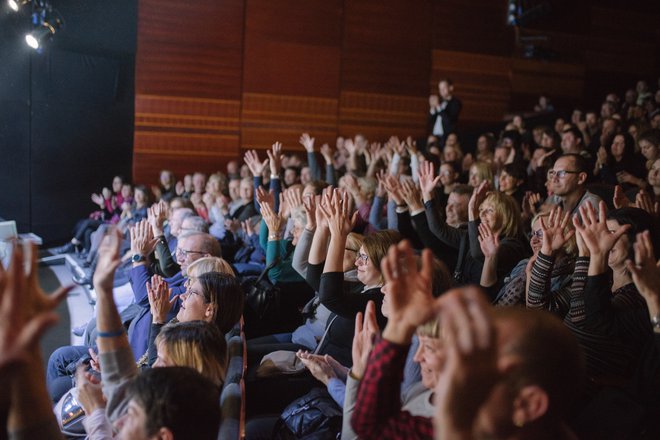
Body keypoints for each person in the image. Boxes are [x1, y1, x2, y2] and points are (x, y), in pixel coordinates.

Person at [428, 78, 462, 146]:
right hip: (434, 135)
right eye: (440, 89)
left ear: (451, 88)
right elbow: (430, 121)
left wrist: (438, 106)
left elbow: (449, 120)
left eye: (444, 88)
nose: (441, 91)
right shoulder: (439, 102)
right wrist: (432, 108)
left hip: (446, 137)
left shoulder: (455, 103)